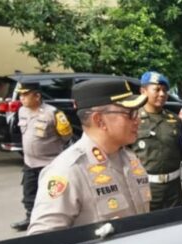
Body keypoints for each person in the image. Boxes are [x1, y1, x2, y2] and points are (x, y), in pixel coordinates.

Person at [27, 79, 150, 235]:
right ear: (99, 120)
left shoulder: (129, 158)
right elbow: (42, 241)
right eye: (130, 114)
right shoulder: (67, 171)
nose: (138, 120)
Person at [11, 82, 73, 231]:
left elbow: (66, 136)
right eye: (21, 95)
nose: (22, 98)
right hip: (30, 163)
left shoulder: (53, 113)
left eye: (25, 95)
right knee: (29, 194)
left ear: (37, 96)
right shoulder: (22, 111)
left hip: (49, 163)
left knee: (54, 196)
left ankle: (58, 222)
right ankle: (30, 218)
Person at [134, 71, 182, 208]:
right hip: (145, 188)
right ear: (143, 91)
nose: (162, 94)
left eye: (165, 90)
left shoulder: (175, 120)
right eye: (157, 89)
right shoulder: (133, 120)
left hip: (173, 189)